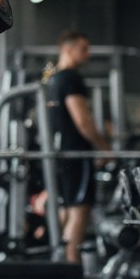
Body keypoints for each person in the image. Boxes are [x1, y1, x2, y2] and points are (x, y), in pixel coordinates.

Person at [44, 30, 110, 263]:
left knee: (66, 210)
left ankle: (60, 266)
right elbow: (83, 122)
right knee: (80, 212)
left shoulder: (53, 80)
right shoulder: (71, 79)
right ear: (68, 50)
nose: (88, 54)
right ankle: (72, 271)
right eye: (84, 49)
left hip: (59, 154)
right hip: (76, 154)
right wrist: (105, 148)